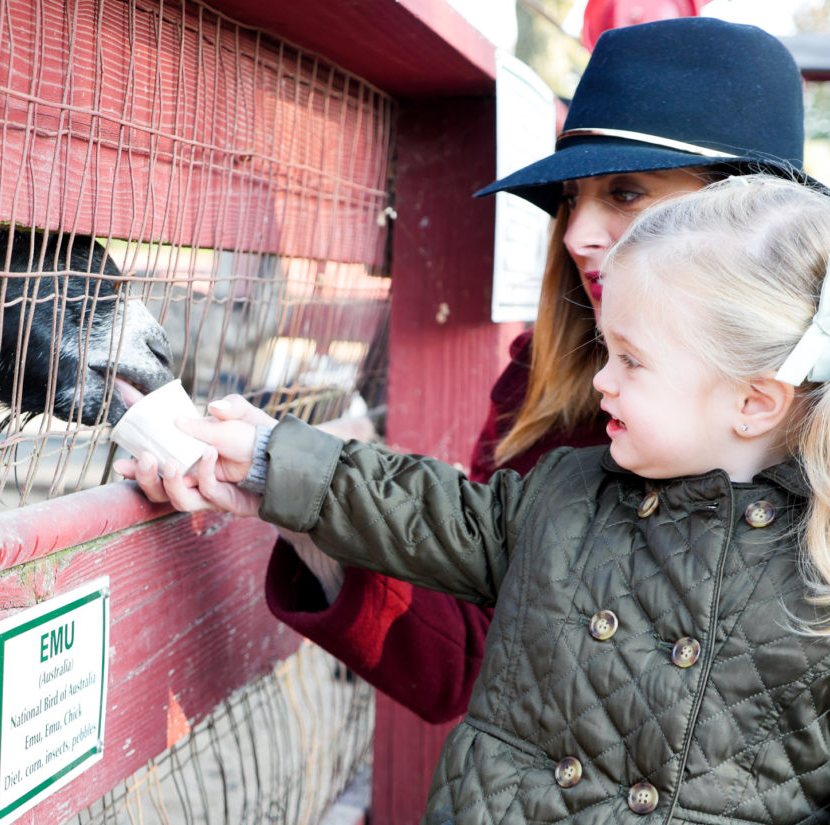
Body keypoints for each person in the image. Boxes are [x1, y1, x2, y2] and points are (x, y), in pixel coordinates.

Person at [117, 15, 825, 725]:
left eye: (627, 192)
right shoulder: (548, 382)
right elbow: (471, 652)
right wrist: (295, 506)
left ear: (750, 216)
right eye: (571, 199)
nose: (576, 232)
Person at [121, 174, 830, 821]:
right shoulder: (570, 495)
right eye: (606, 351)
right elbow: (431, 510)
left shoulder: (818, 582)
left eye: (632, 361)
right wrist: (277, 459)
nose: (601, 381)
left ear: (753, 399)